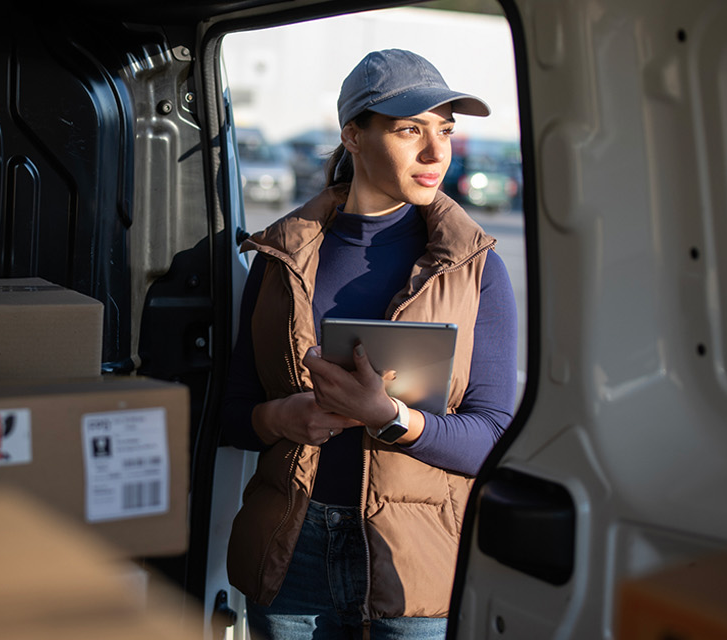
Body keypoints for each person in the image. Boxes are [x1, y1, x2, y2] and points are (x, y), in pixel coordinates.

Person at [221, 49, 518, 640]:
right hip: (290, 553)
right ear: (352, 135)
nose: (437, 153)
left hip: (414, 564)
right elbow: (230, 416)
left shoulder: (477, 268)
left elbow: (491, 437)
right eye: (411, 130)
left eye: (446, 132)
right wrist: (281, 416)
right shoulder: (283, 258)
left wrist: (391, 419)